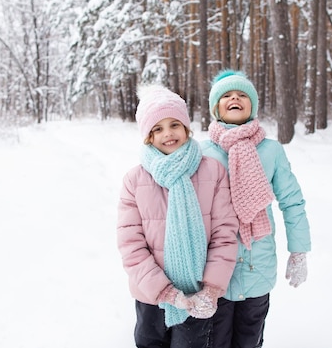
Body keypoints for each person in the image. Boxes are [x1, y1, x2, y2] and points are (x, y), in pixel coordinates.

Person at [117, 85, 240, 348]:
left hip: (197, 293)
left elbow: (225, 233)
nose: (168, 133)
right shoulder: (134, 180)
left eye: (174, 124)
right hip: (152, 297)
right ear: (148, 137)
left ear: (187, 128)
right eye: (157, 129)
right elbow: (131, 245)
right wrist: (165, 292)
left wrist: (212, 288)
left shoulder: (212, 172)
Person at [201, 70, 311, 348]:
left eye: (242, 95)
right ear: (216, 108)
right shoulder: (202, 151)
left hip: (257, 266)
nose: (235, 98)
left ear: (252, 106)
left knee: (249, 341)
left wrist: (299, 251)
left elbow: (292, 201)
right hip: (215, 269)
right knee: (216, 341)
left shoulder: (271, 150)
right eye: (227, 95)